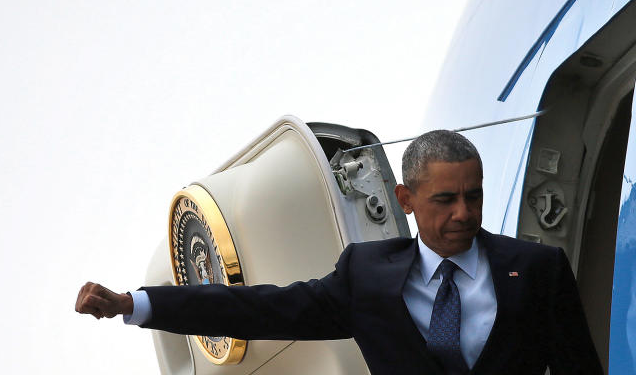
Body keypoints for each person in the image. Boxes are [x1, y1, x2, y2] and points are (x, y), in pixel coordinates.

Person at [75, 130, 602, 374]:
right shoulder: (367, 276)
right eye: (444, 200)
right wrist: (136, 305)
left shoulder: (536, 270)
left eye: (473, 196)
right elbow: (258, 308)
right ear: (406, 200)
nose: (463, 213)